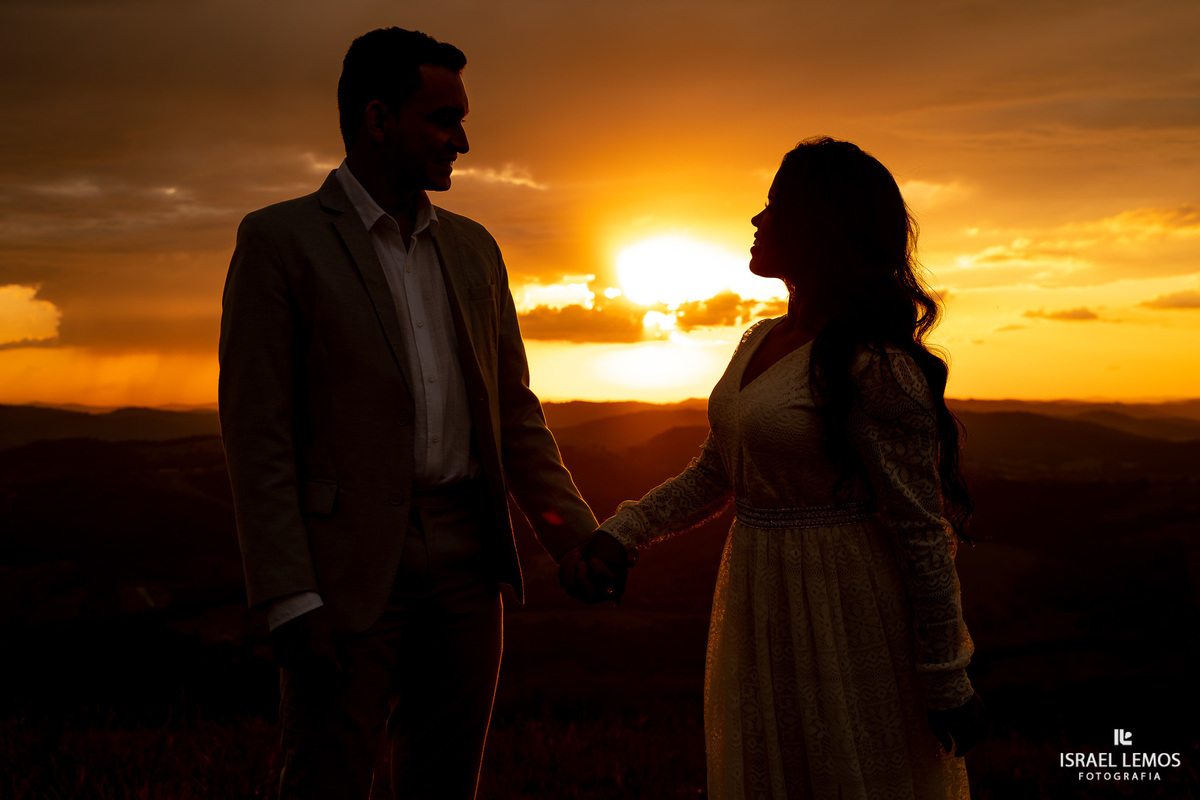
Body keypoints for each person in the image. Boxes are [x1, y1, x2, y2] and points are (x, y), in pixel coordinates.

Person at [218, 28, 599, 800]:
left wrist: (577, 537)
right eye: (443, 118)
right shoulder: (278, 241)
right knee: (325, 779)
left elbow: (513, 414)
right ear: (378, 118)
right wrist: (289, 594)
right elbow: (258, 434)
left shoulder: (475, 248)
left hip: (468, 564)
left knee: (446, 784)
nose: (462, 140)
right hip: (344, 569)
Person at [565, 137, 987, 799]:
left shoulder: (877, 366)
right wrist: (623, 532)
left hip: (845, 603)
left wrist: (945, 674)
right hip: (761, 594)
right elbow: (715, 473)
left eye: (775, 207)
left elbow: (921, 530)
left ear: (822, 226)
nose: (758, 222)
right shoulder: (758, 338)